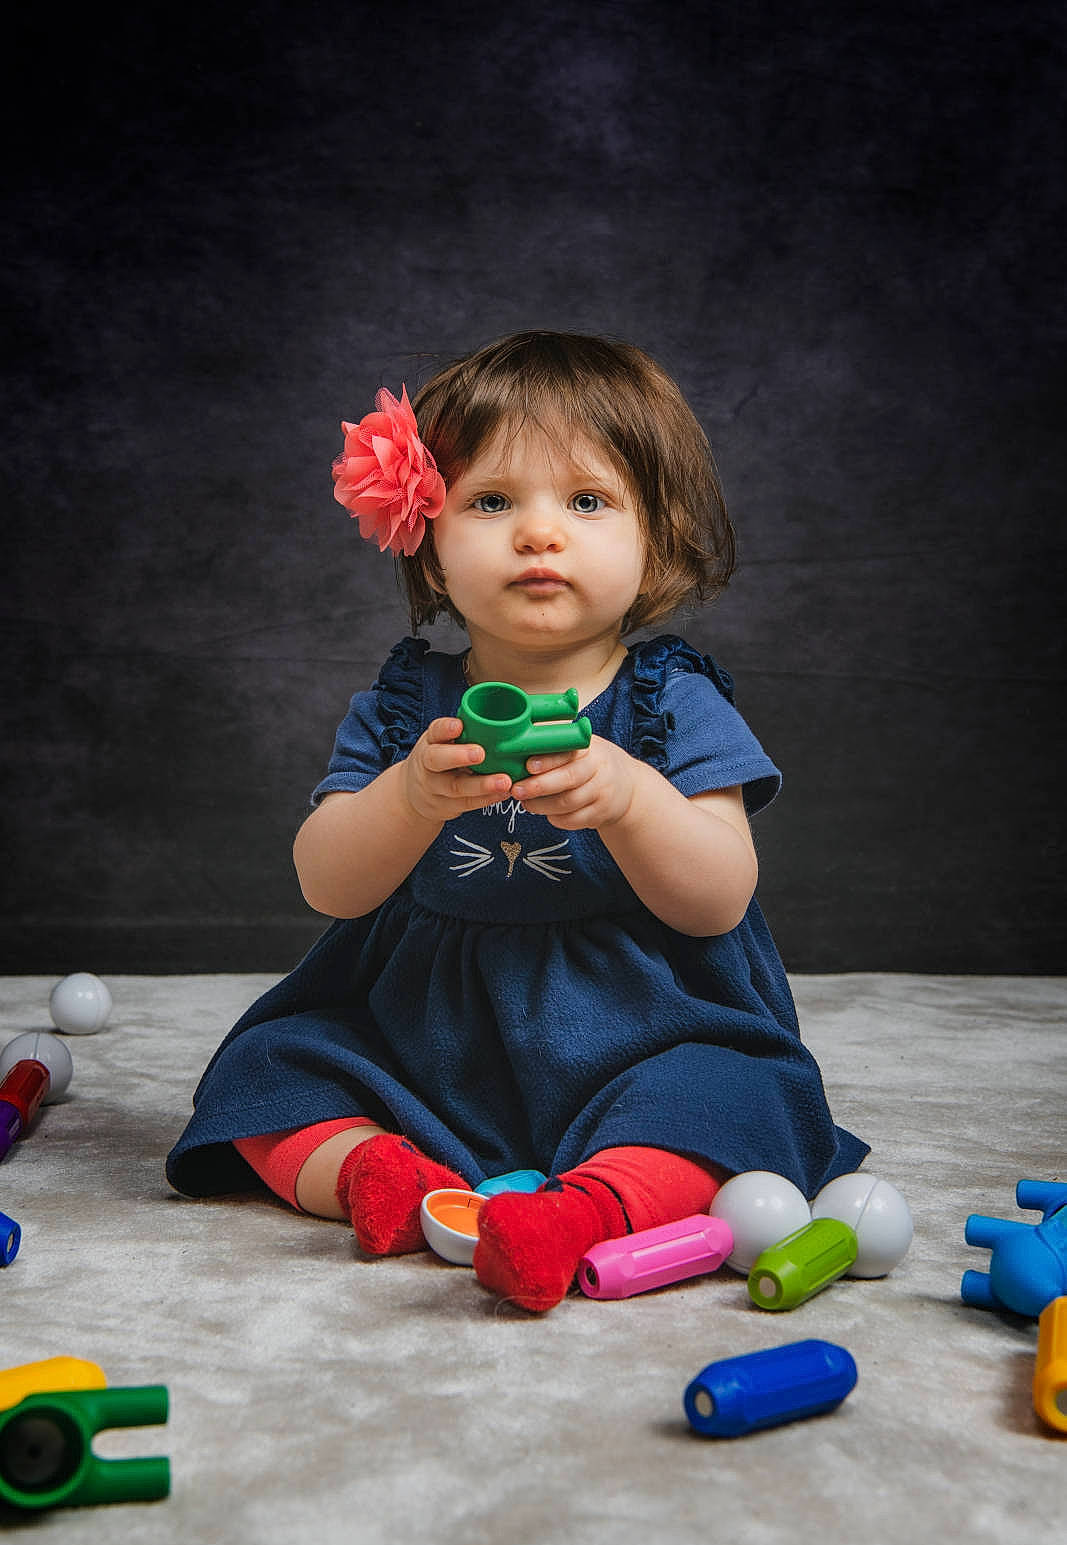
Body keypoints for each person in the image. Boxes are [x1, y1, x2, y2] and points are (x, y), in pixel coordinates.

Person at [166, 331, 868, 1311]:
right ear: (428, 534)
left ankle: (581, 1215)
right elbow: (328, 882)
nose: (540, 534)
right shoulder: (408, 708)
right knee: (265, 1069)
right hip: (424, 1026)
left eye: (586, 501)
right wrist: (407, 797)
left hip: (646, 1022)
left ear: (651, 537)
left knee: (732, 1101)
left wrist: (627, 797)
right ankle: (384, 1175)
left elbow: (716, 899)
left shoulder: (670, 703)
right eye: (491, 501)